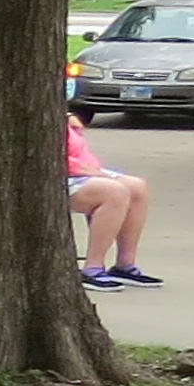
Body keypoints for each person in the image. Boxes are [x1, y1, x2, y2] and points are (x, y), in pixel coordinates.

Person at [64, 113, 159, 289]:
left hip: (81, 168)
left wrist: (70, 120)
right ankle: (93, 268)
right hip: (59, 174)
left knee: (137, 187)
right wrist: (88, 171)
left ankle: (125, 264)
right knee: (114, 192)